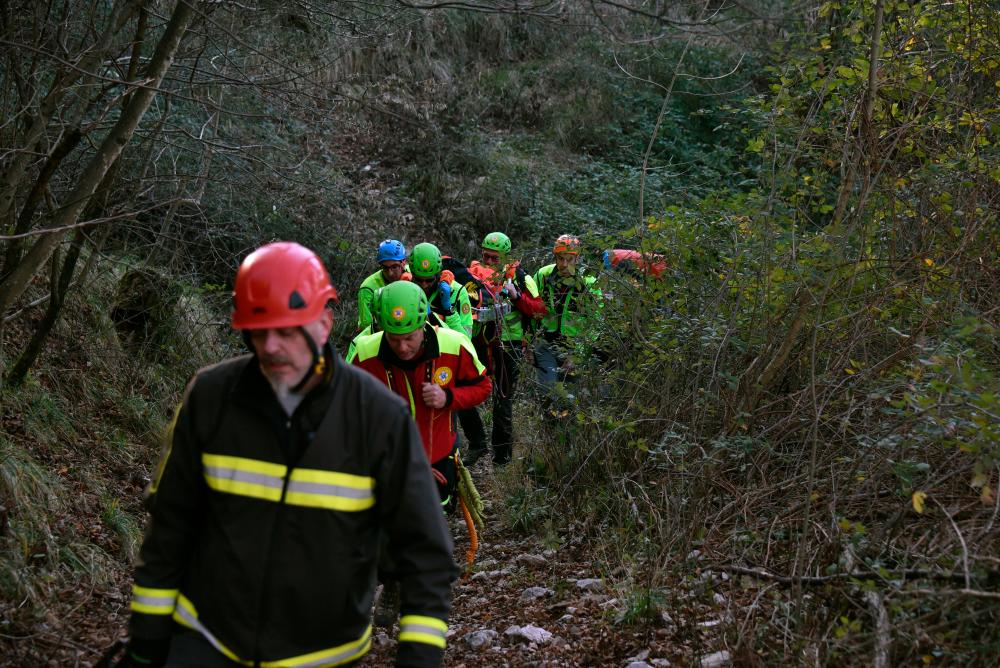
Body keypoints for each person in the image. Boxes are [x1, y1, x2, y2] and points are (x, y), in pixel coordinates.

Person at [124, 242, 455, 668]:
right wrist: (146, 643)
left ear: (324, 323)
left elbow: (426, 553)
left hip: (324, 655)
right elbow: (170, 526)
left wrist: (419, 659)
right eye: (259, 332)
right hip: (206, 642)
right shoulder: (210, 397)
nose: (272, 347)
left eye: (287, 331)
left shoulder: (380, 417)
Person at [351, 281, 491, 510]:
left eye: (409, 338)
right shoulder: (365, 353)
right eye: (394, 339)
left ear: (423, 324)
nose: (403, 347)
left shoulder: (453, 345)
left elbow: (483, 387)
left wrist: (448, 398)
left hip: (439, 457)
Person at [465, 232, 545, 465]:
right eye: (485, 257)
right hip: (478, 343)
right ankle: (477, 443)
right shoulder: (472, 276)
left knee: (503, 401)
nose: (488, 262)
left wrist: (517, 296)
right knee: (462, 390)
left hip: (509, 345)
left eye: (494, 258)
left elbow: (539, 309)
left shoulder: (520, 277)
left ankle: (501, 458)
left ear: (505, 257)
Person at [533, 234, 603, 400]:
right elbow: (530, 308)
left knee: (570, 398)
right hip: (546, 345)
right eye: (560, 259)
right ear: (555, 257)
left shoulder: (589, 283)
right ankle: (548, 422)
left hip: (574, 347)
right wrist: (528, 341)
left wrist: (577, 354)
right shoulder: (543, 275)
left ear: (577, 259)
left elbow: (596, 322)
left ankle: (564, 423)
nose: (564, 264)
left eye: (569, 259)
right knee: (548, 394)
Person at [410, 242, 472, 338]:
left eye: (430, 280)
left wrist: (448, 310)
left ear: (438, 274)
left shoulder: (458, 292)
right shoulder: (407, 287)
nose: (424, 285)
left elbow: (466, 338)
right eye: (418, 280)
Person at [357, 239, 408, 332]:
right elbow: (366, 325)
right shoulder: (368, 288)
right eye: (385, 267)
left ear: (404, 262)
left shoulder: (412, 275)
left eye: (394, 267)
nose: (390, 273)